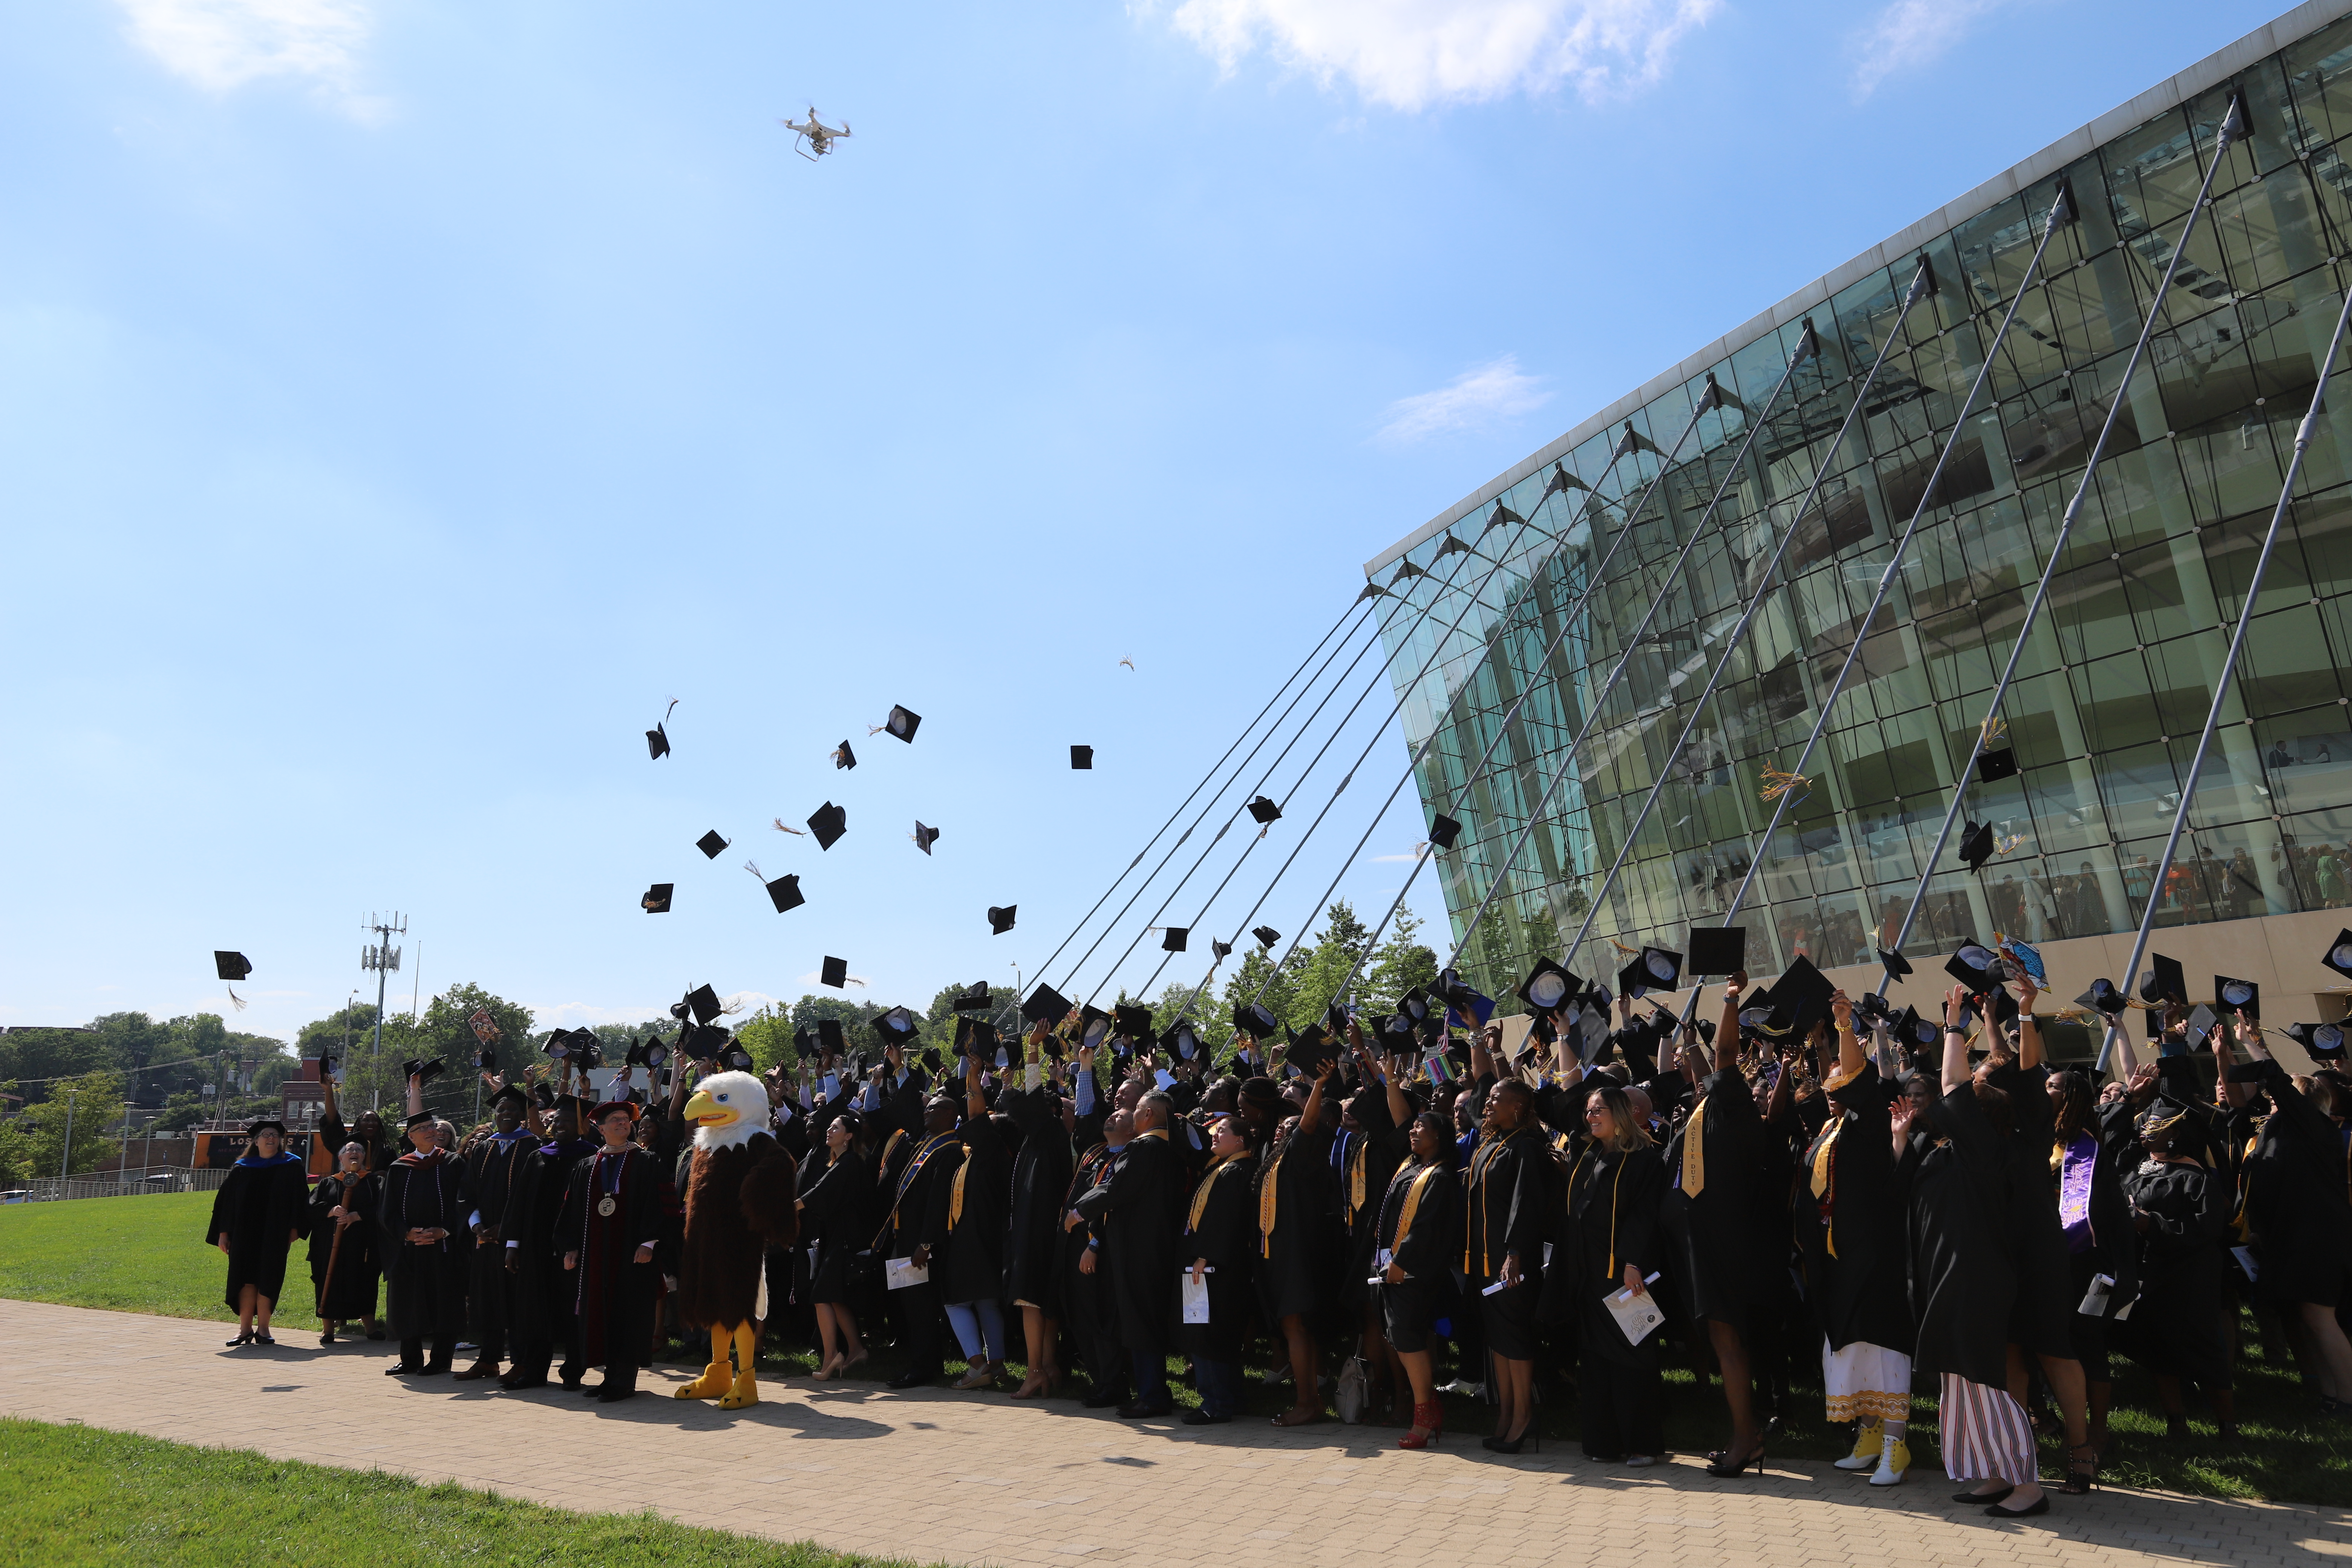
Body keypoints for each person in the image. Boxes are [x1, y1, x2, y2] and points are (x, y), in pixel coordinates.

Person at [1905, 985, 2044, 1518]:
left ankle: (2027, 1485)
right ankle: (1991, 1472)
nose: (1942, 1106)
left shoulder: (1985, 1154)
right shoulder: (1946, 1156)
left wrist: (1954, 1024)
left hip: (1975, 1279)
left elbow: (1951, 1082)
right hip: (1947, 1280)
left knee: (1985, 1381)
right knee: (1958, 1382)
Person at [1794, 992, 1913, 1485]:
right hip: (1837, 1258)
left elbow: (1869, 1080)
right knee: (1850, 1347)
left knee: (1881, 1347)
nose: (1833, 1088)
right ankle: (1867, 1434)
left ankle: (1895, 1445)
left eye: (1842, 1085)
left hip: (1874, 1255)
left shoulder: (1869, 1126)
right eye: (1830, 1086)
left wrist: (1846, 1028)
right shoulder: (1830, 1128)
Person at [557, 1099, 679, 1403]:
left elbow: (662, 1205)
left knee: (629, 1314)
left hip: (633, 1254)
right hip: (595, 1256)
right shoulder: (587, 1166)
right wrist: (570, 1247)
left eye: (626, 1119)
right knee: (601, 1312)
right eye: (615, 1119)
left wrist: (649, 1243)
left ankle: (624, 1380)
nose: (623, 1123)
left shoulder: (647, 1161)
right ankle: (609, 1377)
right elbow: (570, 1210)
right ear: (600, 1128)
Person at [1073, 1087, 1184, 1418]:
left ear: (1148, 1115)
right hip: (1157, 1245)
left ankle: (1153, 1395)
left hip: (1139, 1248)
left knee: (1140, 1319)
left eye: (1138, 1108)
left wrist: (1079, 1210)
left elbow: (1117, 1187)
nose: (1133, 1113)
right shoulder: (1172, 1148)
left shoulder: (1145, 1146)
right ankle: (1151, 1392)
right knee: (1143, 1318)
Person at [1463, 1073, 1553, 1452]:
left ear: (1518, 1105)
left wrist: (1515, 1253)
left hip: (1511, 1262)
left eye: (1496, 1097)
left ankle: (1524, 1416)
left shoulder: (1527, 1147)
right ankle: (1505, 1412)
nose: (1488, 1102)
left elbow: (1526, 1203)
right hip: (1484, 1258)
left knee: (1515, 1337)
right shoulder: (1493, 1142)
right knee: (1497, 1339)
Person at [1253, 1058, 1340, 1426]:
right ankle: (1308, 1398)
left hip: (1295, 1254)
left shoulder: (1303, 1154)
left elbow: (1307, 1124)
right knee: (1291, 1327)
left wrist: (1317, 1084)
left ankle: (1308, 1401)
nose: (1281, 1130)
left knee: (1295, 1326)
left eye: (1288, 1127)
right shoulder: (1276, 1160)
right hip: (1276, 1253)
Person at [1375, 1084, 1458, 1450]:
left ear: (1438, 1135)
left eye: (1420, 1126)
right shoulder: (1412, 1166)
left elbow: (1424, 1228)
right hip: (1394, 1268)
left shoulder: (1439, 1176)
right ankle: (1426, 1407)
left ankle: (1426, 1412)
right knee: (1400, 1337)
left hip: (1413, 1271)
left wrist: (1401, 1262)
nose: (1412, 1130)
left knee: (1408, 1338)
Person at [499, 1093, 597, 1391]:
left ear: (581, 1125)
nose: (561, 1126)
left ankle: (573, 1372)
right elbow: (518, 1204)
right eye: (556, 1121)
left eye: (568, 1121)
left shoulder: (591, 1157)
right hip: (536, 1246)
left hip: (575, 1247)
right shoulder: (539, 1156)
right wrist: (513, 1245)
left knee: (572, 1310)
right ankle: (535, 1370)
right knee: (535, 1309)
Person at [1000, 1024, 1074, 1399]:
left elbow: (1031, 1095)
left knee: (1030, 1298)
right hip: (1049, 1227)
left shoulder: (1046, 1133)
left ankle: (1034, 1371)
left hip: (1036, 1231)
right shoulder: (1051, 1138)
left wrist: (1032, 1051)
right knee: (1046, 1301)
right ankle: (1049, 1366)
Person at [881, 1085, 965, 1389]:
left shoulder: (950, 1150)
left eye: (932, 1109)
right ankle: (922, 1363)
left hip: (922, 1244)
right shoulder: (928, 1144)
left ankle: (924, 1368)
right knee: (910, 1306)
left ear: (948, 1115)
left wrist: (927, 1243)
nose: (925, 1113)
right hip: (906, 1236)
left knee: (922, 1308)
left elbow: (938, 1202)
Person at [937, 1050, 1011, 1389]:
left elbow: (979, 1112)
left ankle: (977, 1365)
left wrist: (972, 1078)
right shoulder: (988, 1157)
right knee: (986, 1300)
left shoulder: (992, 1151)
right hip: (986, 1234)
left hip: (975, 1237)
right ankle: (996, 1366)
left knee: (954, 1301)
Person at [1180, 1112, 1260, 1424]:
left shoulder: (1237, 1171)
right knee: (1219, 1334)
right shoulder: (1224, 1168)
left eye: (1222, 1130)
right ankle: (1231, 1399)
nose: (1215, 1134)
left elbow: (1226, 1221)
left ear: (1240, 1139)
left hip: (1212, 1268)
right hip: (1215, 1265)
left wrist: (1204, 1257)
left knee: (1208, 1334)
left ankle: (1215, 1403)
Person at [454, 1083, 536, 1382]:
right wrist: (476, 1226)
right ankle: (488, 1360)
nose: (506, 1114)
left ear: (522, 1115)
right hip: (486, 1241)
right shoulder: (484, 1149)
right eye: (501, 1109)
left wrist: (508, 1229)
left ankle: (522, 1362)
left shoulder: (532, 1147)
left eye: (513, 1109)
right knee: (488, 1300)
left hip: (518, 1242)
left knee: (516, 1302)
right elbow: (467, 1193)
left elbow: (533, 1198)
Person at [378, 1108, 470, 1376]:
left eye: (434, 1127)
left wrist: (445, 1231)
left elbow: (464, 1204)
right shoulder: (400, 1168)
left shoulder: (453, 1163)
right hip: (410, 1248)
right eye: (426, 1129)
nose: (433, 1132)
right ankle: (410, 1360)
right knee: (409, 1302)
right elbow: (386, 1213)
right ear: (412, 1136)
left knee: (445, 1301)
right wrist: (406, 1233)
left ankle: (441, 1360)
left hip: (444, 1248)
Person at [209, 1116, 309, 1348]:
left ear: (281, 1140)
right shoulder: (241, 1169)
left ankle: (263, 1329)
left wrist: (295, 1229)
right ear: (255, 1141)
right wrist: (223, 1233)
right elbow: (225, 1204)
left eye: (275, 1135)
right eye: (266, 1135)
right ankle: (245, 1330)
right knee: (245, 1278)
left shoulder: (292, 1166)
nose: (271, 1138)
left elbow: (300, 1201)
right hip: (244, 1233)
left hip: (276, 1232)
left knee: (269, 1277)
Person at [796, 1107, 875, 1379]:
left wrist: (787, 1209)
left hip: (846, 1239)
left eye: (836, 1129)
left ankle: (832, 1356)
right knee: (835, 1299)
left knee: (821, 1296)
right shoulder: (838, 1162)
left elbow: (819, 1194)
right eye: (829, 1127)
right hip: (837, 1237)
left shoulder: (850, 1162)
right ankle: (856, 1350)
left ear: (849, 1136)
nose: (829, 1131)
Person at [307, 1140, 384, 1342]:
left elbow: (384, 1208)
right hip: (330, 1244)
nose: (355, 1152)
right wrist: (331, 1211)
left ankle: (370, 1328)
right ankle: (328, 1330)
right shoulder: (328, 1183)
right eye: (350, 1150)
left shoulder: (373, 1182)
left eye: (359, 1150)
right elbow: (310, 1208)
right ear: (340, 1158)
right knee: (328, 1281)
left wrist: (358, 1215)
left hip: (363, 1245)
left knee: (365, 1282)